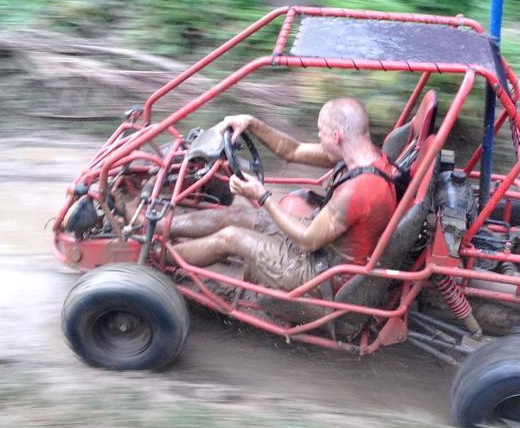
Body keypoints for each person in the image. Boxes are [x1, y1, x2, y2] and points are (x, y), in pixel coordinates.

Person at [170, 98, 398, 293]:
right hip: (323, 248)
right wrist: (252, 123)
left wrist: (262, 197)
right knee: (238, 215)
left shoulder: (359, 190)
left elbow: (307, 241)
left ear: (337, 135)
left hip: (323, 277)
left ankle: (157, 257)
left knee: (231, 237)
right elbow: (293, 150)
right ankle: (155, 226)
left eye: (321, 132)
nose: (319, 138)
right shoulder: (364, 155)